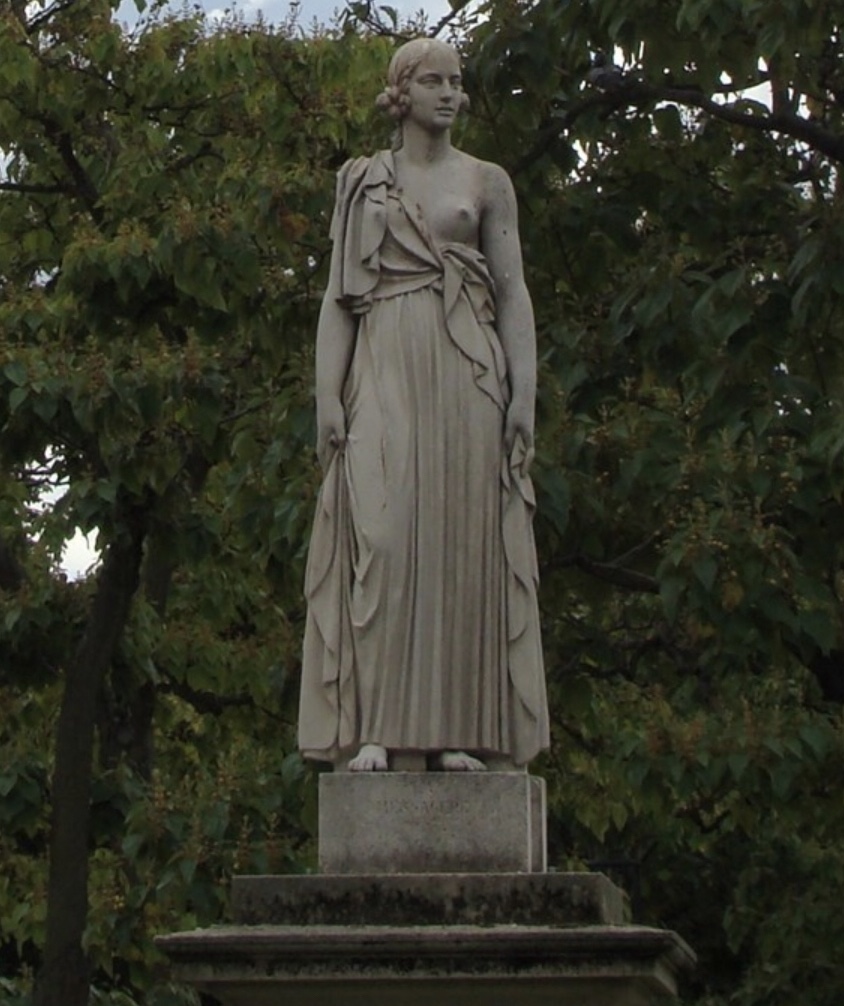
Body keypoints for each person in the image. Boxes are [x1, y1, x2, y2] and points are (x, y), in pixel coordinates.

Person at [298, 38, 549, 772]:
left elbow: (514, 292)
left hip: (468, 370)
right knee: (383, 539)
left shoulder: (487, 181)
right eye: (433, 81)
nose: (449, 93)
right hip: (384, 363)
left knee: (459, 547)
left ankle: (453, 734)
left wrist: (525, 394)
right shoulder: (363, 182)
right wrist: (326, 395)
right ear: (401, 93)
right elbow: (338, 299)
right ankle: (375, 727)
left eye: (456, 82)